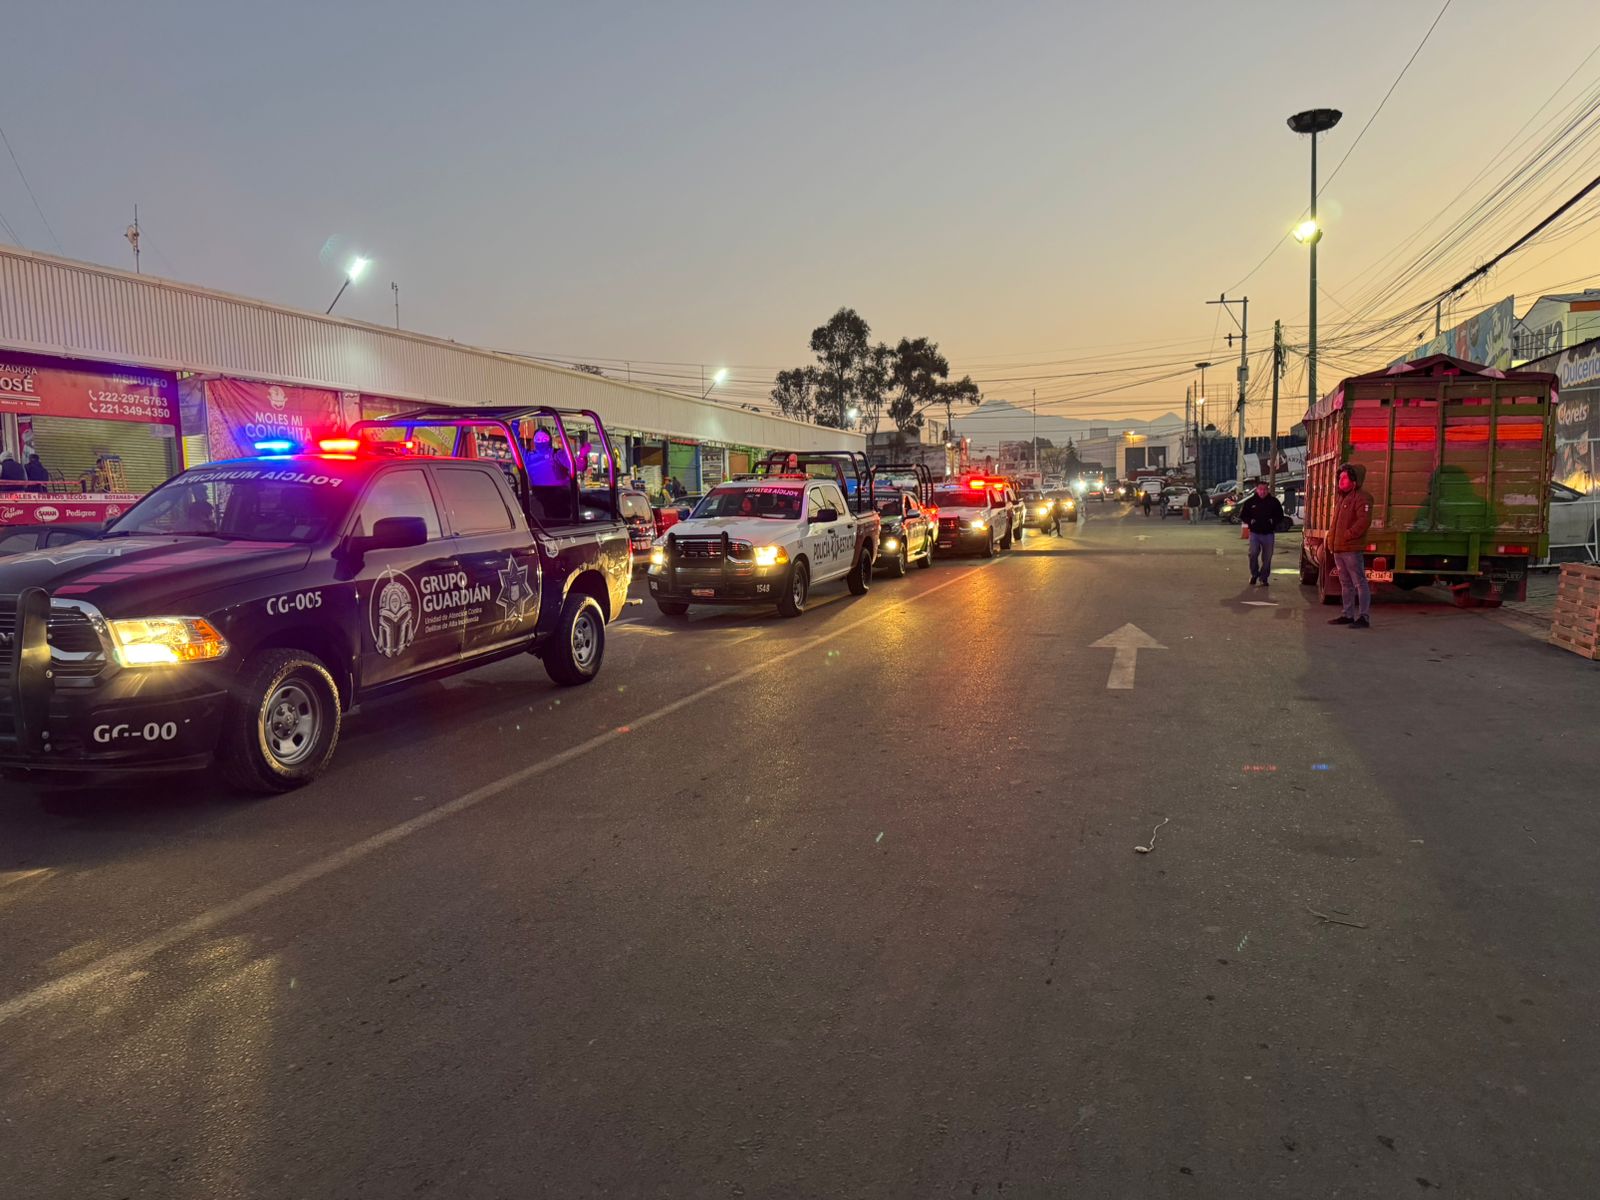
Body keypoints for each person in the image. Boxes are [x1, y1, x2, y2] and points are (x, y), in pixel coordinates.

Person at [1328, 463, 1374, 629]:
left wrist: (1348, 535)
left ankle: (1363, 616)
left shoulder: (1362, 497)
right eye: (1340, 477)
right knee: (1345, 583)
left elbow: (1364, 521)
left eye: (1345, 478)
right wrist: (1331, 539)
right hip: (1339, 548)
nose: (1341, 480)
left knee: (1359, 583)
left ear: (1354, 481)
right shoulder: (1342, 497)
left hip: (1351, 549)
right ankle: (1347, 614)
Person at [1238, 479, 1284, 586]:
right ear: (1257, 490)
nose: (1262, 492)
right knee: (1253, 554)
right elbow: (1243, 515)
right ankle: (1254, 574)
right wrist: (1250, 521)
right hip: (1255, 533)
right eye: (1260, 489)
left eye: (1265, 489)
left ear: (1267, 490)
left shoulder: (1274, 502)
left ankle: (1264, 578)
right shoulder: (1250, 502)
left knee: (1267, 557)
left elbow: (1280, 516)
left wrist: (1273, 521)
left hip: (1268, 534)